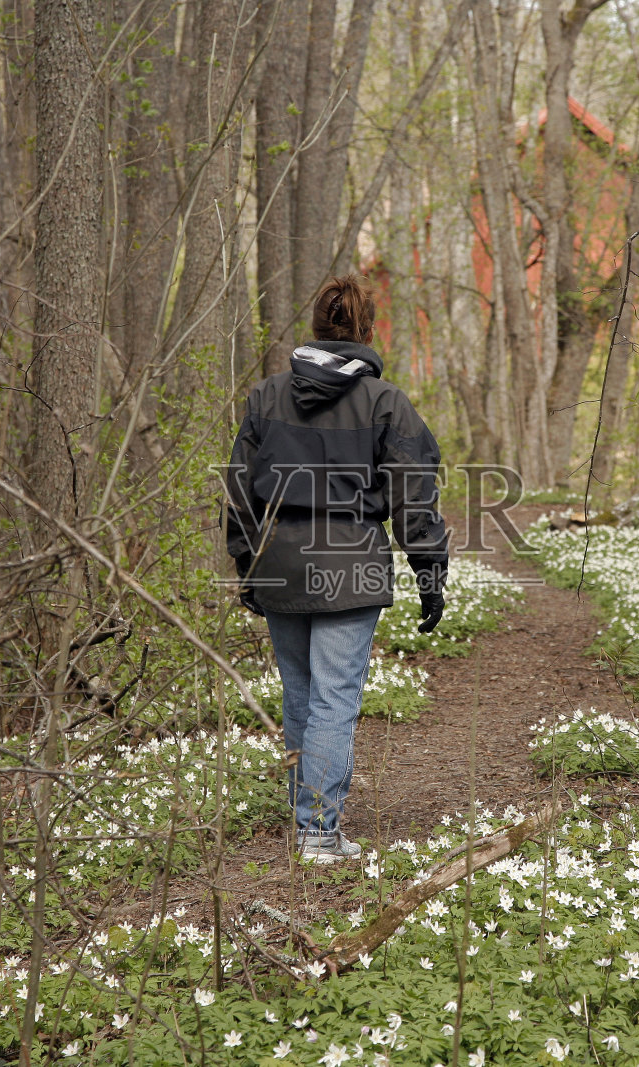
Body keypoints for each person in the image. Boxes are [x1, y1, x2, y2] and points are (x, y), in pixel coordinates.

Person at [225, 275, 448, 864]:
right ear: (367, 330)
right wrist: (431, 577)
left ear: (318, 329)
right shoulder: (385, 403)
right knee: (333, 700)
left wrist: (249, 565)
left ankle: (309, 825)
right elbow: (414, 499)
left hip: (280, 563)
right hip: (350, 569)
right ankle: (319, 834)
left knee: (302, 695)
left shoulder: (266, 397)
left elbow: (239, 493)